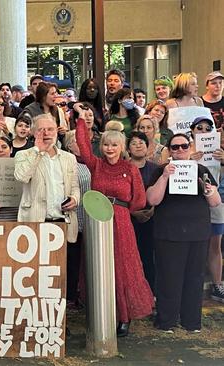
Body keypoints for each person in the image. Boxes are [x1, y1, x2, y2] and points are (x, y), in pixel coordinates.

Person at [75, 104, 153, 337]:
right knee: (99, 264)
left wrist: (121, 207)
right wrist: (81, 119)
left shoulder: (130, 169)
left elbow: (138, 201)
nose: (110, 148)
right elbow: (83, 146)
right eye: (106, 144)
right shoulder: (96, 165)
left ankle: (124, 316)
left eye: (114, 145)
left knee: (121, 266)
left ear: (122, 147)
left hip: (120, 220)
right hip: (97, 219)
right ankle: (102, 312)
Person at [146, 133, 221, 333]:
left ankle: (191, 321)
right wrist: (164, 177)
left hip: (197, 233)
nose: (180, 150)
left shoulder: (202, 170)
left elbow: (215, 202)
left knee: (194, 278)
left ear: (190, 148)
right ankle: (166, 321)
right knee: (168, 277)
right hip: (168, 233)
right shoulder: (160, 170)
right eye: (175, 147)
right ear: (169, 150)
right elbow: (152, 200)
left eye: (184, 146)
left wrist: (209, 190)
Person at [14, 113, 80, 244]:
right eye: (41, 130)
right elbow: (22, 177)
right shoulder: (23, 154)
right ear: (33, 133)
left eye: (50, 129)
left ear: (56, 131)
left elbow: (74, 186)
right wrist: (38, 151)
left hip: (64, 222)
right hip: (36, 222)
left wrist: (75, 199)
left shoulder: (69, 158)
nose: (46, 133)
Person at [188, 116, 224, 303]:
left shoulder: (219, 150)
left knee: (215, 244)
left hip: (215, 200)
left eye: (207, 128)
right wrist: (189, 159)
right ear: (192, 130)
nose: (203, 131)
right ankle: (193, 284)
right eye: (199, 127)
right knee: (194, 244)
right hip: (192, 204)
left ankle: (217, 285)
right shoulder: (184, 149)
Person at [62, 130, 92, 306]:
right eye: (76, 141)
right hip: (74, 215)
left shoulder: (93, 161)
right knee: (73, 258)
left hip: (91, 217)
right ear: (68, 145)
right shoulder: (68, 162)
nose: (81, 144)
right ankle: (71, 295)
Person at [127, 131, 158, 294]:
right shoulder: (123, 168)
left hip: (151, 219)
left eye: (142, 142)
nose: (138, 145)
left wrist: (153, 209)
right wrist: (132, 212)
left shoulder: (155, 169)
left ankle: (150, 293)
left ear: (148, 147)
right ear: (128, 149)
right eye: (134, 142)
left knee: (149, 257)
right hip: (128, 220)